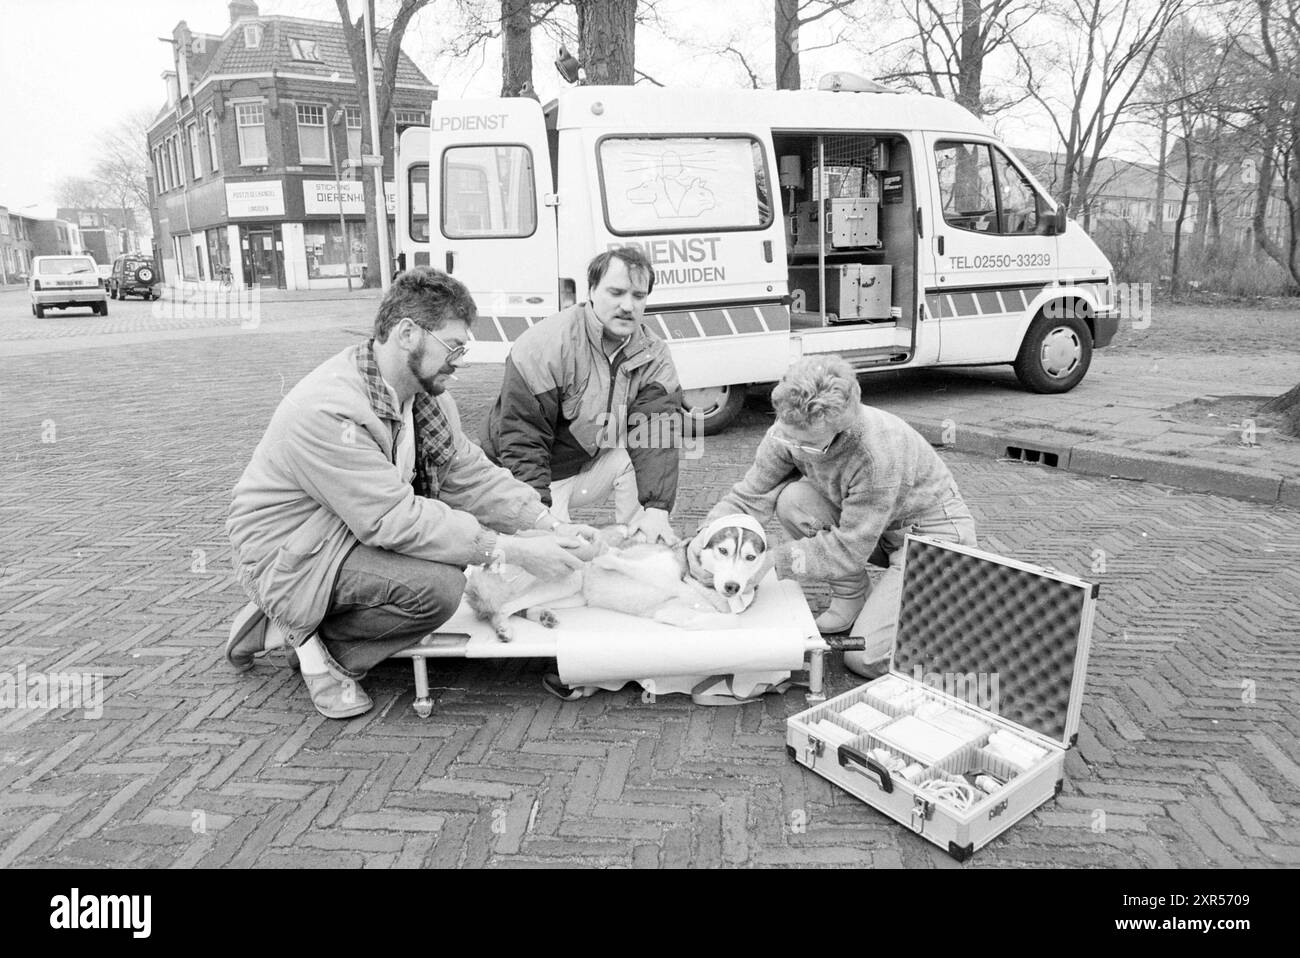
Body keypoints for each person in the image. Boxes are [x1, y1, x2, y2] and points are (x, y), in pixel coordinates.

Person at [225, 267, 596, 719]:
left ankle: (292, 617)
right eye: (453, 345)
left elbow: (468, 473)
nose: (460, 358)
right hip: (290, 549)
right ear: (407, 333)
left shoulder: (425, 396)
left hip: (343, 529)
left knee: (451, 550)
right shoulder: (330, 410)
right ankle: (312, 644)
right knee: (438, 589)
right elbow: (392, 520)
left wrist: (547, 524)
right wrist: (513, 551)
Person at [688, 355, 976, 679]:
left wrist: (772, 562)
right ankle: (853, 598)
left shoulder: (875, 455)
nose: (794, 446)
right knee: (793, 501)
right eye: (789, 436)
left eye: (807, 443)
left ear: (841, 427)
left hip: (931, 536)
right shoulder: (791, 425)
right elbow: (751, 494)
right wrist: (704, 537)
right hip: (875, 530)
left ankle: (952, 627)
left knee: (865, 657)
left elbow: (849, 550)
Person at [479, 246, 683, 545]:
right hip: (530, 475)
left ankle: (638, 547)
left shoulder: (654, 353)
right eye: (616, 292)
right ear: (592, 290)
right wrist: (542, 519)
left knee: (637, 462)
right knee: (555, 564)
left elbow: (656, 431)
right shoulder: (544, 345)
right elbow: (523, 440)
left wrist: (657, 509)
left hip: (585, 465)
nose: (628, 305)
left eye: (638, 296)